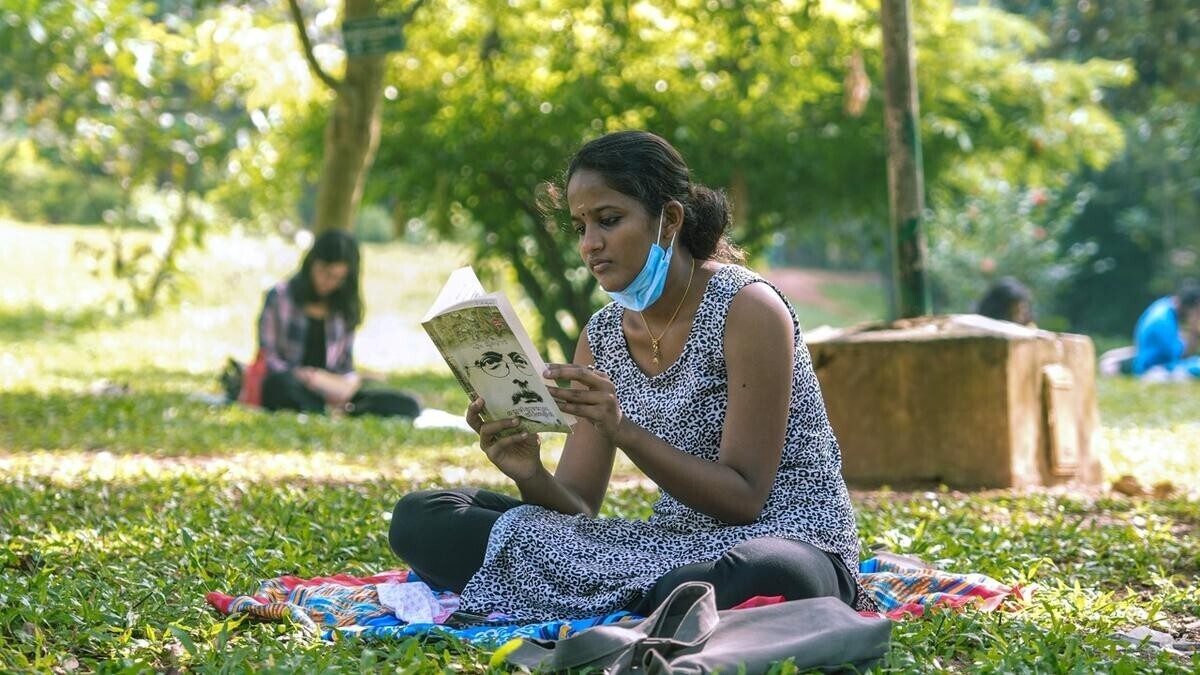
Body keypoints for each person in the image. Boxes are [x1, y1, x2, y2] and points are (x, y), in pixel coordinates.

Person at [388, 130, 873, 622]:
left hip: (784, 538)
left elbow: (743, 500)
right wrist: (528, 470)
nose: (590, 245)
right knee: (422, 519)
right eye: (580, 226)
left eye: (609, 220)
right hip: (662, 548)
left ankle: (632, 598)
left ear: (670, 221)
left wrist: (622, 429)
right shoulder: (601, 335)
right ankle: (650, 603)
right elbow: (576, 511)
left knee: (773, 575)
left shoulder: (748, 308)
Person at [255, 229, 421, 417]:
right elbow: (267, 356)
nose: (328, 282)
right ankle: (333, 411)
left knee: (408, 405)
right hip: (291, 382)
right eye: (324, 273)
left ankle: (338, 409)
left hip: (332, 388)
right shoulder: (280, 297)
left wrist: (344, 383)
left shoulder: (342, 308)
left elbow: (344, 365)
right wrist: (305, 376)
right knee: (279, 386)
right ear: (311, 265)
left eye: (337, 278)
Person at [1129, 279, 1200, 380]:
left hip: (1150, 364)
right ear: (1189, 307)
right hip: (1152, 370)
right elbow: (1182, 355)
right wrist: (1194, 328)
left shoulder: (1163, 305)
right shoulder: (1164, 321)